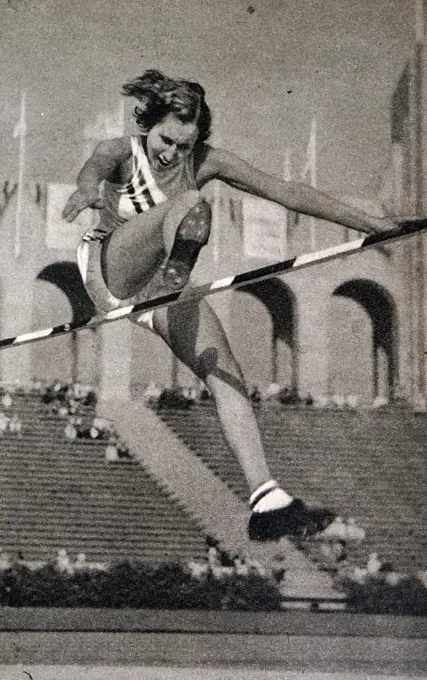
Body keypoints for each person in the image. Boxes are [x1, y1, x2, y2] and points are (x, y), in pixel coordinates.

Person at [63, 69, 396, 543]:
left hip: (161, 288)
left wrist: (369, 224)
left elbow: (288, 193)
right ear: (148, 124)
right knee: (190, 205)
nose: (172, 153)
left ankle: (266, 499)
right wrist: (85, 188)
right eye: (166, 139)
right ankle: (179, 270)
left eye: (185, 145)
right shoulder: (125, 150)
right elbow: (96, 164)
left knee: (226, 371)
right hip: (110, 266)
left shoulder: (207, 160)